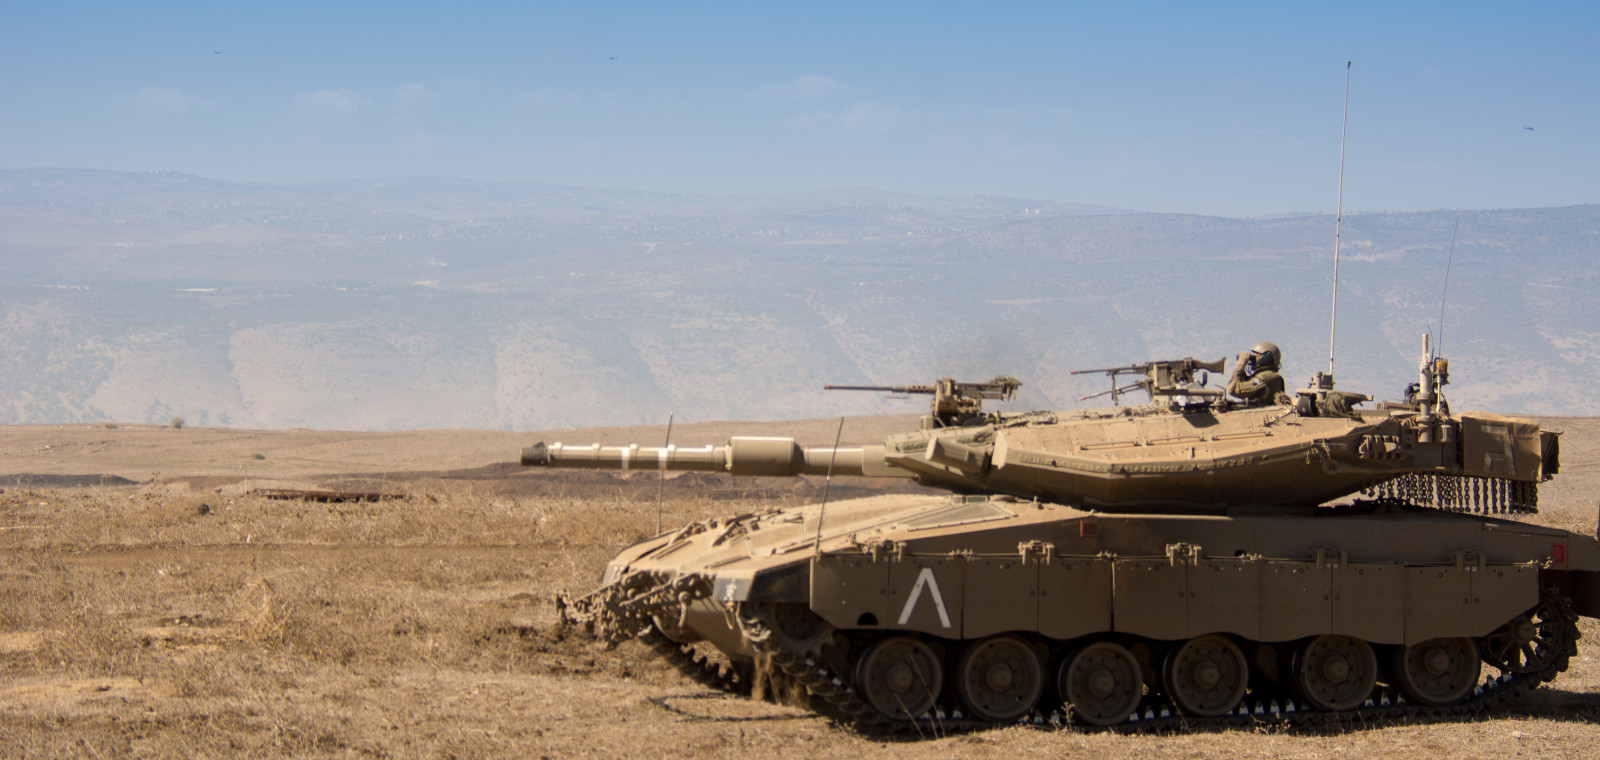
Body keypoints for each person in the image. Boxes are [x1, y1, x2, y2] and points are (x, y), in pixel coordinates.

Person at [1227, 341, 1286, 405]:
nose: (1253, 359)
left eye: (1256, 355)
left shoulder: (1267, 376)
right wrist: (1242, 371)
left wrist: (1240, 364)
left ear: (1266, 357)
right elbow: (1243, 383)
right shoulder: (1265, 375)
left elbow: (1233, 389)